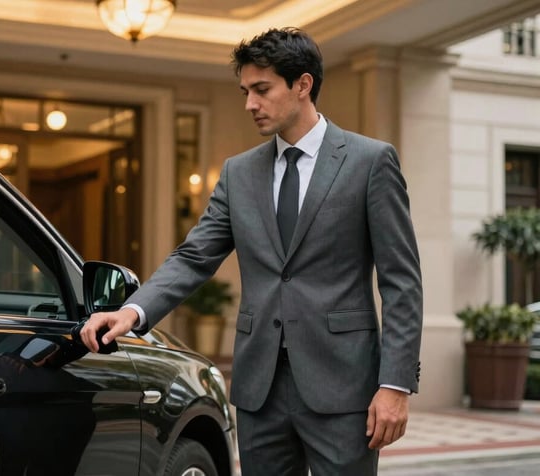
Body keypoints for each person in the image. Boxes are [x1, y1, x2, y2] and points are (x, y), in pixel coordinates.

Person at [79, 26, 423, 476]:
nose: (250, 104)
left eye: (262, 89)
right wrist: (132, 312)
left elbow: (402, 282)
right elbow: (194, 255)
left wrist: (395, 385)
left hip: (343, 385)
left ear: (303, 84)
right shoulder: (238, 173)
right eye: (245, 91)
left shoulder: (370, 161)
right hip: (260, 389)